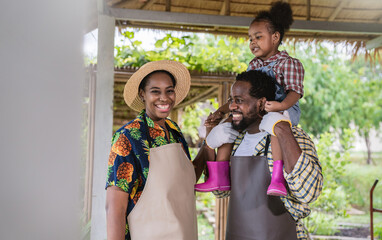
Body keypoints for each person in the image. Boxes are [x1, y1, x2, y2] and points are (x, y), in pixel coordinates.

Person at [195, 1, 304, 196]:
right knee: (228, 125)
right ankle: (218, 176)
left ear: (275, 37)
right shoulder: (253, 65)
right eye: (250, 38)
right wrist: (221, 112)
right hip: (256, 111)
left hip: (282, 107)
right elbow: (243, 97)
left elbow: (295, 92)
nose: (252, 42)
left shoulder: (288, 63)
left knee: (275, 124)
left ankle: (277, 177)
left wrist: (280, 105)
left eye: (258, 37)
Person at [203, 70, 323, 240]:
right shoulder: (235, 142)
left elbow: (308, 193)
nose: (231, 107)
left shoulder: (293, 137)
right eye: (231, 100)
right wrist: (210, 144)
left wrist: (282, 130)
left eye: (239, 101)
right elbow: (220, 192)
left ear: (261, 104)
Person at [105, 60, 211, 240]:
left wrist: (210, 139)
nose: (164, 98)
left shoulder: (174, 131)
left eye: (169, 91)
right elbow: (115, 207)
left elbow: (188, 177)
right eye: (155, 91)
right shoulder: (128, 137)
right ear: (142, 94)